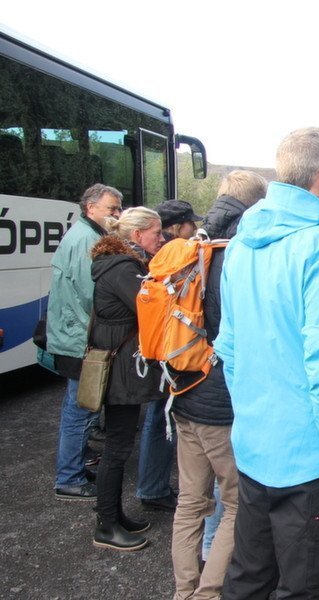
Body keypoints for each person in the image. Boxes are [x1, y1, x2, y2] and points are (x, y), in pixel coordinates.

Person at [216, 128, 319, 598]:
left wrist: (252, 419)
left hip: (253, 448)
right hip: (309, 463)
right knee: (306, 589)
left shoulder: (240, 245)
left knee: (247, 578)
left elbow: (229, 350)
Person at [169, 170, 267, 600]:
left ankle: (183, 591)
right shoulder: (242, 254)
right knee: (235, 503)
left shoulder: (192, 245)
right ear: (256, 205)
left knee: (190, 502)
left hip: (182, 389)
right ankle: (208, 594)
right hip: (221, 400)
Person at [89, 207, 167, 551]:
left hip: (117, 364)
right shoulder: (124, 268)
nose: (161, 239)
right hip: (120, 369)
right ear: (137, 236)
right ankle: (106, 526)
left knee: (118, 446)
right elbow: (150, 309)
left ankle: (114, 515)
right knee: (117, 448)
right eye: (156, 233)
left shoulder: (118, 264)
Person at [48, 184, 121, 501]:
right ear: (91, 208)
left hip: (75, 336)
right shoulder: (87, 241)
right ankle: (69, 478)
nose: (117, 214)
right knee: (81, 410)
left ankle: (73, 468)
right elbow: (93, 295)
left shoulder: (86, 235)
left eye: (118, 209)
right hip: (80, 339)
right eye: (112, 209)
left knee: (78, 408)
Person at [134, 198, 202, 513]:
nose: (194, 228)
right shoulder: (175, 257)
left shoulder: (155, 258)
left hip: (156, 350)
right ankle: (153, 488)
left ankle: (152, 486)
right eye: (190, 223)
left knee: (156, 417)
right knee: (161, 419)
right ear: (177, 227)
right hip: (171, 351)